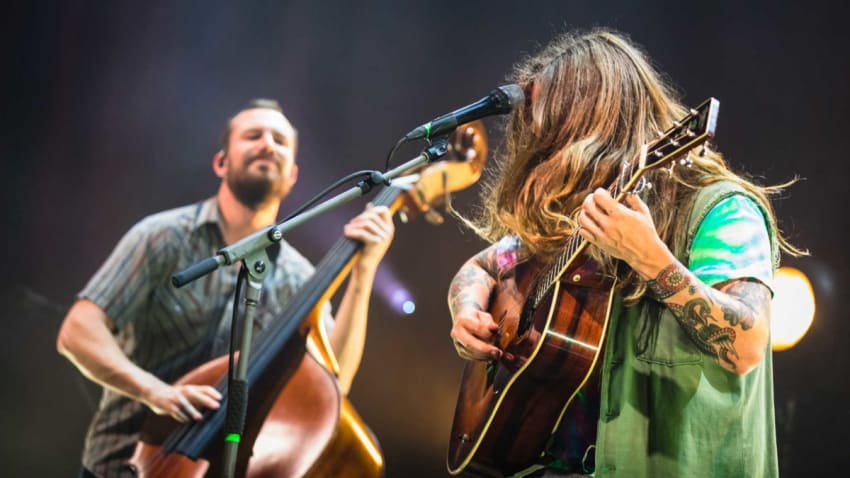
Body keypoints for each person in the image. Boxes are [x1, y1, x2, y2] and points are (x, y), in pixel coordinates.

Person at [447, 29, 803, 477]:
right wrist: (466, 312)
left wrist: (652, 260)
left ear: (592, 128)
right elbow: (480, 267)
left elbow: (747, 343)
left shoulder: (720, 209)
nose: (539, 155)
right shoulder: (574, 219)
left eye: (550, 138)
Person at [56, 98, 395, 477]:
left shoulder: (300, 278)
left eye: (280, 140)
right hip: (121, 465)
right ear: (221, 162)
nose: (268, 143)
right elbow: (77, 332)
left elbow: (334, 382)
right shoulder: (161, 237)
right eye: (253, 136)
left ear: (293, 175)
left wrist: (364, 271)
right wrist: (156, 392)